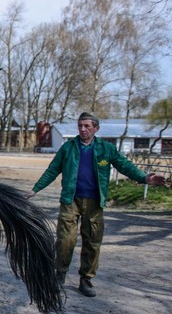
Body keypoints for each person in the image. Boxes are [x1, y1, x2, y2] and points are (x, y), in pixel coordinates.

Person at [28, 112, 165, 298]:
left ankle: (86, 279)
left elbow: (125, 165)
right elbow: (52, 170)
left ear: (96, 128)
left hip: (95, 202)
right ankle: (59, 274)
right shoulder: (68, 148)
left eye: (87, 126)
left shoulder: (105, 149)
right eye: (80, 126)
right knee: (65, 240)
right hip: (70, 200)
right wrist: (35, 189)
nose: (83, 129)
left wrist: (145, 178)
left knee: (92, 242)